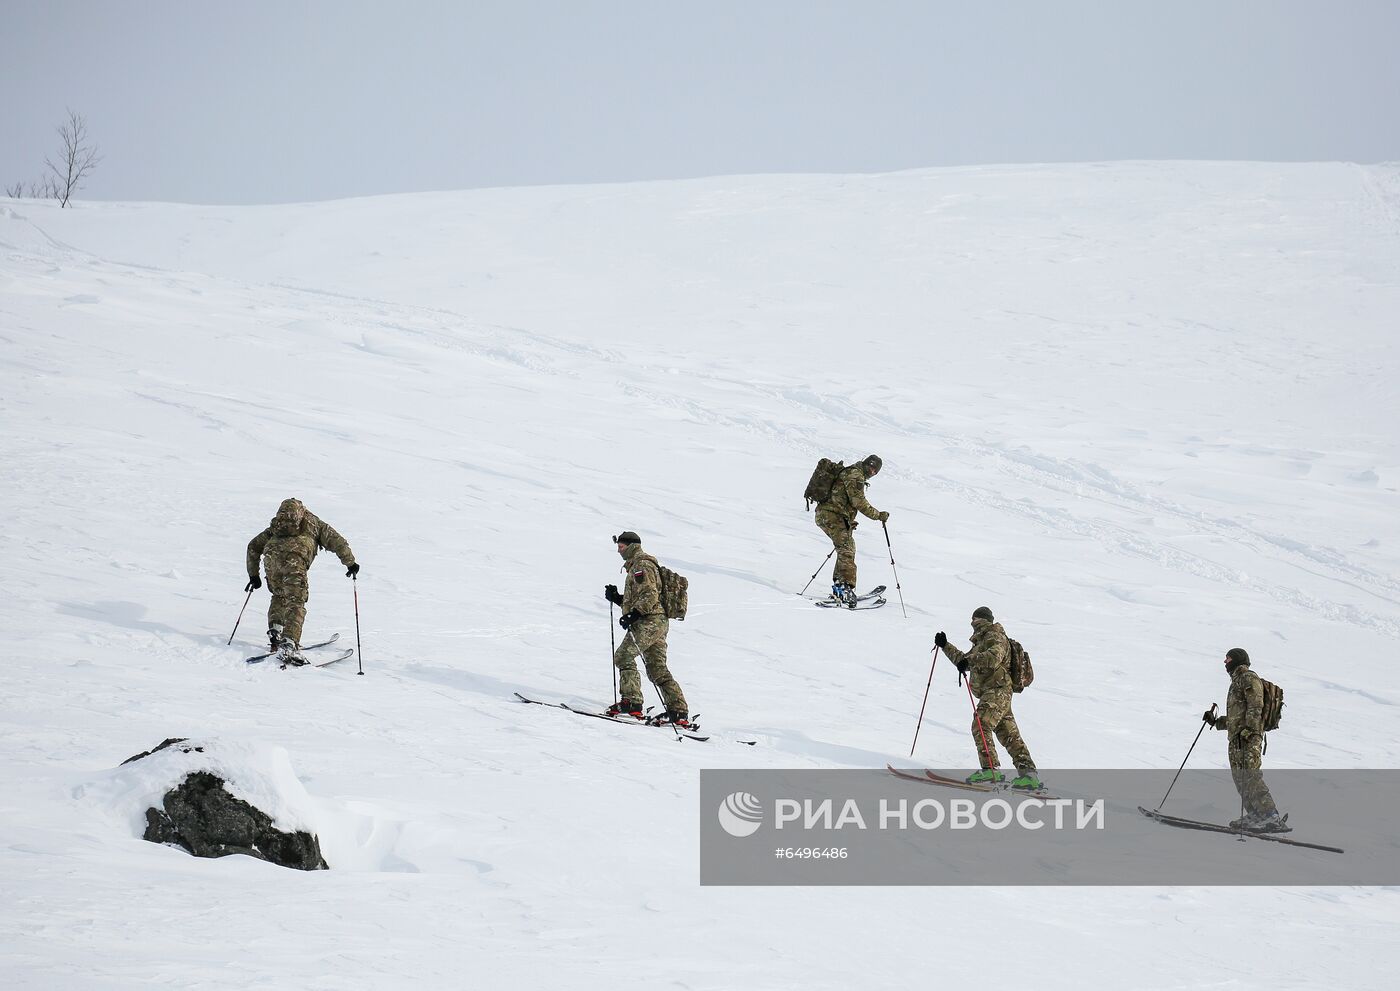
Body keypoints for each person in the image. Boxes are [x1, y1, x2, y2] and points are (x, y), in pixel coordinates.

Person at [934, 606, 1040, 789]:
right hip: (996, 692)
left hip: (997, 690)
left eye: (974, 620)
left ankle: (990, 770)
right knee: (1009, 735)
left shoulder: (994, 635)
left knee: (980, 724)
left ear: (980, 620)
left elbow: (994, 657)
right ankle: (1028, 776)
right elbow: (965, 661)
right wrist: (945, 646)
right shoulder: (982, 641)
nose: (973, 624)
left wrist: (970, 660)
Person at [246, 498, 358, 665]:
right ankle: (289, 643)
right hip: (294, 563)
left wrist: (254, 575)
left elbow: (253, 546)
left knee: (279, 595)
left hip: (271, 561)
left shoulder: (276, 526)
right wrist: (351, 563)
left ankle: (276, 632)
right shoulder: (314, 523)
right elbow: (337, 542)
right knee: (296, 602)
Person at [602, 531, 689, 725]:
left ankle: (632, 701)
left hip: (649, 622)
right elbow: (642, 597)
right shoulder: (640, 565)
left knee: (623, 656)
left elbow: (649, 595)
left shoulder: (641, 565)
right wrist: (617, 598)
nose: (619, 551)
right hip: (657, 621)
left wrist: (634, 615)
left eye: (622, 547)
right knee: (657, 668)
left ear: (632, 546)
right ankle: (678, 711)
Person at [1204, 648, 1288, 832]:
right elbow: (1237, 718)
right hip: (1237, 738)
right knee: (1241, 778)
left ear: (1238, 660)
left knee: (1251, 775)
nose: (1225, 662)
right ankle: (1255, 815)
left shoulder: (1248, 678)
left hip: (1247, 738)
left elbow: (1256, 705)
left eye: (1228, 658)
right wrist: (1216, 722)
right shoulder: (1236, 682)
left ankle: (1270, 816)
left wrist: (1249, 731)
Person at [813, 454, 888, 607]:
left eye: (875, 471)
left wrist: (848, 520)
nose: (872, 472)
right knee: (846, 549)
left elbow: (843, 499)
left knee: (847, 548)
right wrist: (878, 515)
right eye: (871, 468)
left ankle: (840, 587)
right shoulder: (855, 475)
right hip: (830, 515)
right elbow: (859, 502)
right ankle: (844, 588)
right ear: (866, 464)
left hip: (831, 515)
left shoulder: (853, 473)